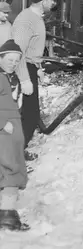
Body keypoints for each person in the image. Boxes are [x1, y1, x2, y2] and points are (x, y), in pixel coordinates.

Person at [12, 0, 55, 148]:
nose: (53, 3)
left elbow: (32, 48)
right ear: (43, 2)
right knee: (29, 115)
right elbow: (17, 52)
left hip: (30, 68)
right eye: (51, 0)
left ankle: (17, 152)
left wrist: (38, 68)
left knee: (29, 114)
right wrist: (24, 79)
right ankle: (14, 154)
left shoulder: (37, 18)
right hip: (21, 69)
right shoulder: (26, 21)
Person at [0, 39, 28, 231]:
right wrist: (3, 123)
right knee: (11, 169)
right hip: (5, 130)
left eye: (17, 61)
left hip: (13, 128)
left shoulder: (11, 78)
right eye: (10, 60)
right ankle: (7, 216)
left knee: (10, 168)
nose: (13, 63)